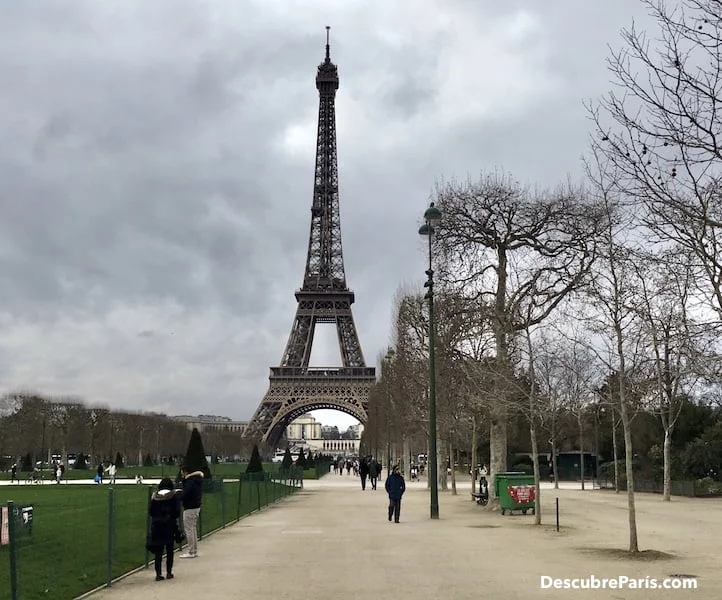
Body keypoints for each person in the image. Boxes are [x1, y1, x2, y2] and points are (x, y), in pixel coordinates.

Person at [146, 477, 181, 581]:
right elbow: (177, 512)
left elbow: (151, 512)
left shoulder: (154, 497)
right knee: (170, 550)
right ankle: (169, 572)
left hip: (157, 526)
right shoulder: (173, 496)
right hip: (169, 526)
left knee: (158, 552)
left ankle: (158, 574)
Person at [178, 465, 204, 559]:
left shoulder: (189, 482)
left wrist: (179, 495)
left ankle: (191, 551)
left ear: (185, 472)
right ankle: (194, 550)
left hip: (190, 507)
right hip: (196, 506)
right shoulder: (196, 480)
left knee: (189, 530)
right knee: (193, 529)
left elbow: (185, 494)